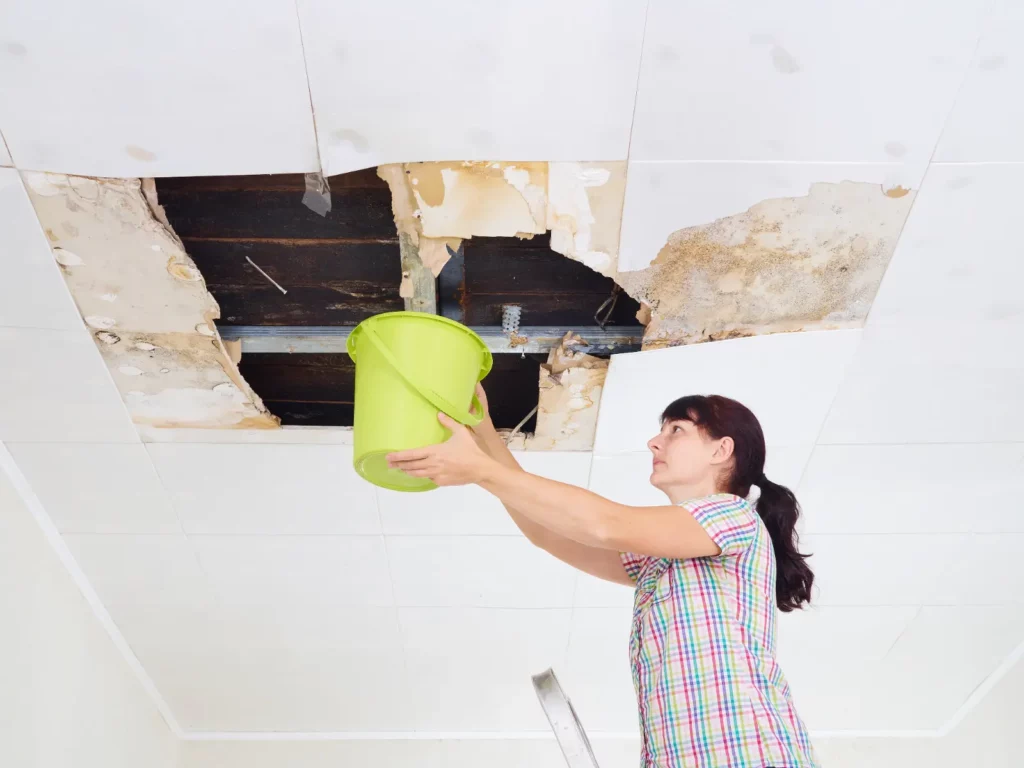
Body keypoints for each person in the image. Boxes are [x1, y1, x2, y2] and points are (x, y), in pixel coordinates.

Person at [387, 384, 819, 768]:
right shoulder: (660, 559)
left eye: (676, 431)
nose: (654, 442)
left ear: (721, 450)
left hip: (750, 752)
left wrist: (480, 469)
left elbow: (604, 524)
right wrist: (483, 435)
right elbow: (546, 530)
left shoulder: (733, 515)